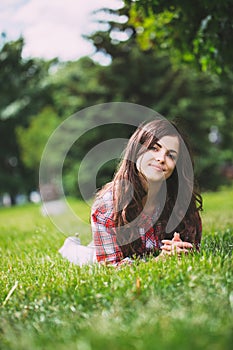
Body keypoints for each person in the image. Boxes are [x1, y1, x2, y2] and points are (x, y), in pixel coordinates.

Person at [91, 118, 202, 265]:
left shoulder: (181, 200)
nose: (161, 158)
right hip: (98, 251)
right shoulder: (106, 206)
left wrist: (181, 250)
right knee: (80, 255)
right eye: (154, 148)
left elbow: (194, 249)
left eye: (171, 155)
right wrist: (158, 262)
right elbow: (110, 267)